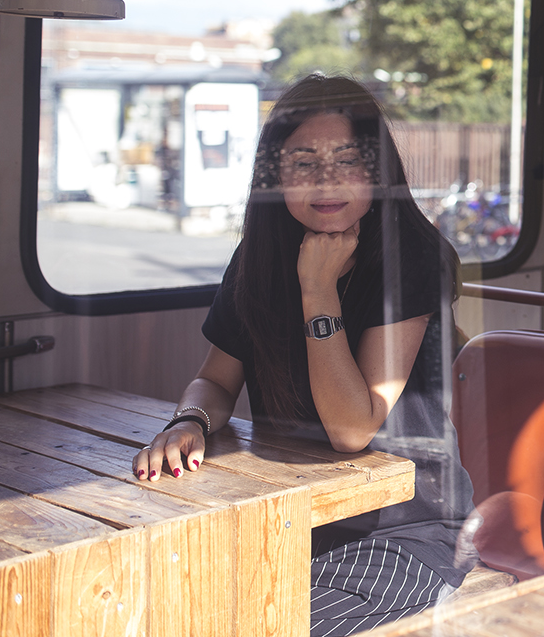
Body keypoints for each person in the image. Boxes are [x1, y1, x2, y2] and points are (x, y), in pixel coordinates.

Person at [135, 74, 473, 636]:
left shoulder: (412, 254)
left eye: (347, 159)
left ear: (377, 170)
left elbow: (352, 429)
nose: (326, 180)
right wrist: (188, 421)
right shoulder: (259, 255)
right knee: (162, 606)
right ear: (277, 175)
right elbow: (214, 381)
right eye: (303, 162)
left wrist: (316, 291)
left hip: (402, 533)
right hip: (287, 519)